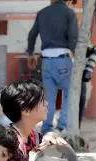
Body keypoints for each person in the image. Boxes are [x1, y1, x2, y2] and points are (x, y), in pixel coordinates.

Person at [26, 0, 78, 134]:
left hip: (46, 60)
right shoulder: (69, 13)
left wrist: (30, 54)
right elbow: (73, 37)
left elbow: (32, 35)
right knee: (68, 94)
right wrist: (74, 55)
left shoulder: (42, 13)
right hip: (63, 59)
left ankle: (46, 128)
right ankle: (61, 127)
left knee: (49, 97)